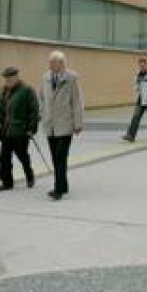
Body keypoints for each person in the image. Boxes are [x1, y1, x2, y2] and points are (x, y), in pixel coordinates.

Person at [37, 50, 84, 201]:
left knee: (60, 157)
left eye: (53, 62)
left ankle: (58, 189)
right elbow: (41, 98)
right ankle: (62, 186)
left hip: (65, 124)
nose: (50, 65)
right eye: (49, 62)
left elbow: (77, 101)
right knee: (54, 157)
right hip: (50, 124)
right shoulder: (45, 77)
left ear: (61, 63)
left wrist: (78, 123)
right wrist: (42, 114)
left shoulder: (71, 78)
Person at [0, 66, 40, 191]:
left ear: (17, 77)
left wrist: (31, 128)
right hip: (6, 131)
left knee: (22, 156)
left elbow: (34, 111)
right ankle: (7, 182)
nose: (8, 80)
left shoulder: (27, 91)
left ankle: (29, 175)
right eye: (6, 78)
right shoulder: (3, 91)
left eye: (10, 78)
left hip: (21, 131)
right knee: (4, 157)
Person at [123, 58, 147, 142]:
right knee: (135, 117)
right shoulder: (138, 75)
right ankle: (131, 135)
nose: (142, 67)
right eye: (140, 66)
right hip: (141, 99)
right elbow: (136, 86)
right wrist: (137, 86)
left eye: (143, 65)